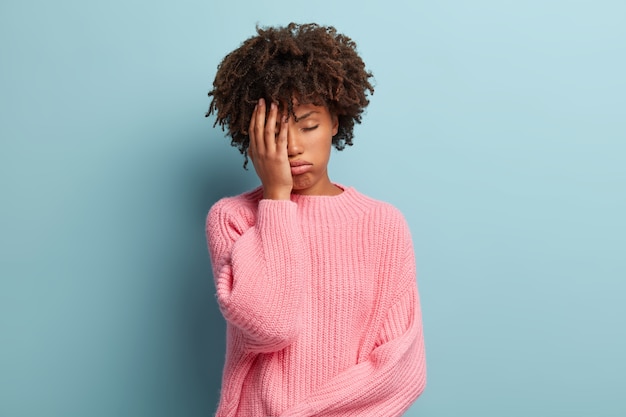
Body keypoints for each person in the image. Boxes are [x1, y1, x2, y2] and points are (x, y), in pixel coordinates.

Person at [205, 22, 426, 417]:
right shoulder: (233, 218)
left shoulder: (383, 225)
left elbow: (401, 368)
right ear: (251, 136)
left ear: (336, 122)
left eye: (308, 125)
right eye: (274, 132)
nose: (292, 146)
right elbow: (270, 325)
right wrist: (275, 198)